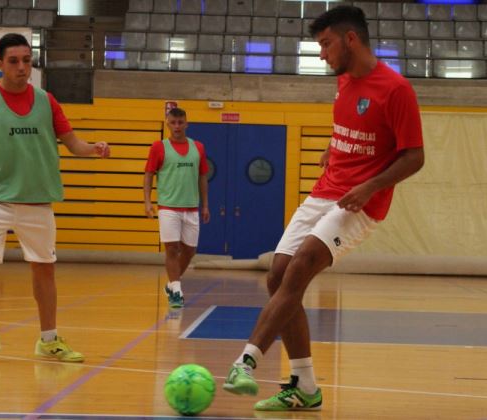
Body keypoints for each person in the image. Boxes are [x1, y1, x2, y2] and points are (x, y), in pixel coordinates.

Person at [222, 5, 425, 411]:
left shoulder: (397, 89)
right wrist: (335, 147)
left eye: (326, 44)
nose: (321, 54)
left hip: (361, 202)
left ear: (351, 39)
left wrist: (369, 185)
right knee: (277, 275)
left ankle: (246, 361)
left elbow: (414, 156)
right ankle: (305, 386)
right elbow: (357, 130)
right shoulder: (345, 82)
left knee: (302, 265)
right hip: (325, 191)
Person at [0, 33, 110, 362]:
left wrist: (95, 149)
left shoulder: (47, 101)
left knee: (44, 270)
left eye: (26, 60)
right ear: (0, 62)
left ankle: (49, 339)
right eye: (14, 61)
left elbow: (74, 145)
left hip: (37, 202)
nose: (22, 67)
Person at [143, 107, 210, 308]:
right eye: (173, 123)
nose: (177, 127)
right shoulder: (159, 147)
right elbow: (148, 174)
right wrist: (147, 202)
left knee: (189, 251)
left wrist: (205, 205)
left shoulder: (198, 147)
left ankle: (172, 284)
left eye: (181, 123)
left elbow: (202, 177)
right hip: (168, 207)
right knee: (172, 249)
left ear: (186, 123)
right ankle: (176, 291)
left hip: (191, 207)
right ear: (168, 123)